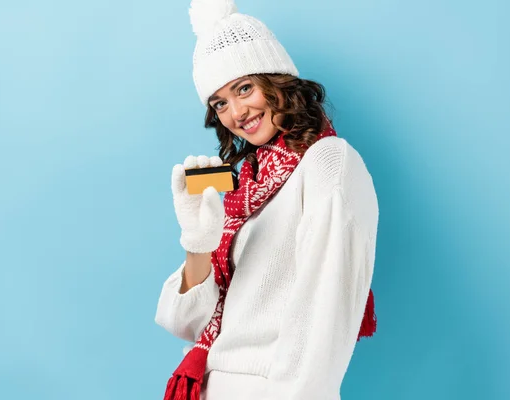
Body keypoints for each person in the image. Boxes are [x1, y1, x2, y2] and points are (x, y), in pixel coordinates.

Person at [155, 1, 379, 399]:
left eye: (244, 88)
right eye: (220, 102)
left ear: (277, 81)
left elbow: (323, 320)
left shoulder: (327, 164)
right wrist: (198, 243)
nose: (237, 112)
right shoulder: (248, 188)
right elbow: (185, 322)